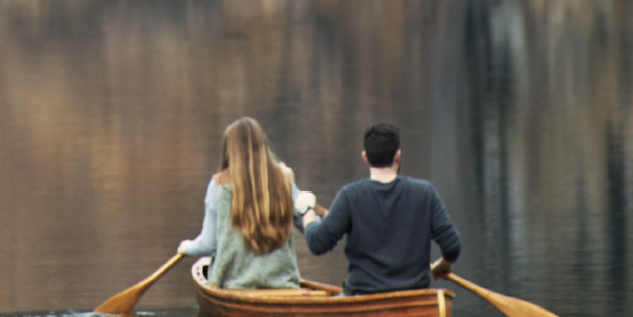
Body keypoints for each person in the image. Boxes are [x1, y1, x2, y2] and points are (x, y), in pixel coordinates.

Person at [303, 122, 462, 295]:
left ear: (365, 158)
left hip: (363, 297)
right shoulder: (425, 193)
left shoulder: (350, 196)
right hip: (415, 297)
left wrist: (307, 213)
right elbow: (452, 246)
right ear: (398, 156)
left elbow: (317, 243)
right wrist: (445, 264)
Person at [176, 117, 320, 290]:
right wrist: (309, 207)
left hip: (233, 286)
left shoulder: (218, 185)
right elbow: (313, 230)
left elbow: (209, 243)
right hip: (283, 286)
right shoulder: (284, 180)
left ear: (229, 151)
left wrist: (186, 247)